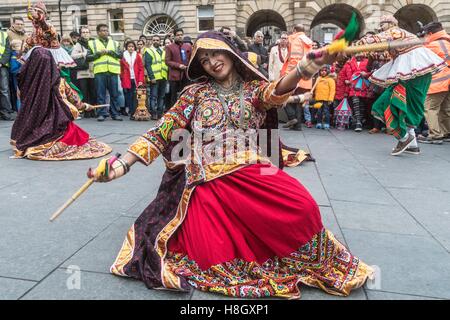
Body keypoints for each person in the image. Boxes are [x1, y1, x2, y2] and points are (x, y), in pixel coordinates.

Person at [87, 31, 373, 299]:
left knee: (303, 208)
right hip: (206, 183)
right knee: (211, 254)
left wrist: (306, 67)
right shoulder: (194, 94)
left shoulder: (253, 90)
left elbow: (277, 92)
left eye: (214, 54)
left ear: (230, 52)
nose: (211, 63)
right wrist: (120, 165)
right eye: (203, 60)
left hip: (251, 170)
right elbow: (161, 131)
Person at [360, 15, 445, 156]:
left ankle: (404, 138)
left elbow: (372, 39)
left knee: (386, 105)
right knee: (404, 108)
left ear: (391, 24)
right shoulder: (398, 38)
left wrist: (352, 45)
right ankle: (413, 146)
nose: (381, 28)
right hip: (413, 75)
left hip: (413, 75)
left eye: (383, 24)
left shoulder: (396, 31)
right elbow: (379, 54)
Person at [11, 47, 111, 160]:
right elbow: (74, 100)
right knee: (73, 134)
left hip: (30, 121)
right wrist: (86, 106)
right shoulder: (58, 82)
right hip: (52, 123)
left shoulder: (25, 80)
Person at [418, 22, 450, 145]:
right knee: (445, 108)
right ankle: (447, 132)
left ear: (430, 33)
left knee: (430, 108)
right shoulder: (447, 41)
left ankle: (435, 135)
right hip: (447, 80)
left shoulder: (433, 45)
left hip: (439, 81)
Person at [87, 23, 123, 121]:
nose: (105, 32)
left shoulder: (115, 43)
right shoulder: (92, 43)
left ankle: (115, 113)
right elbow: (88, 57)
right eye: (103, 30)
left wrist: (110, 52)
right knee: (100, 94)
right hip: (100, 71)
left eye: (106, 30)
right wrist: (98, 54)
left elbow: (120, 55)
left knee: (115, 94)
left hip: (113, 71)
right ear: (98, 32)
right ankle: (101, 113)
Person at [25, 1, 75, 69]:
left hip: (52, 57)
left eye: (39, 12)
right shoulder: (35, 29)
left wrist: (38, 17)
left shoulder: (49, 25)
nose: (36, 13)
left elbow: (48, 30)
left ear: (44, 15)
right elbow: (30, 43)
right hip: (40, 58)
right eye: (35, 11)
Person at [71, 26, 96, 117]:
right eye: (83, 32)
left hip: (92, 70)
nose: (85, 34)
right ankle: (86, 111)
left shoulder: (94, 42)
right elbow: (73, 55)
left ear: (90, 33)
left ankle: (93, 110)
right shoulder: (79, 44)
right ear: (81, 34)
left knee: (93, 91)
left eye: (87, 32)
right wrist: (83, 54)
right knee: (84, 92)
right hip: (82, 71)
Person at [165, 28, 192, 108]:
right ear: (174, 36)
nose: (180, 37)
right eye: (178, 35)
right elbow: (167, 61)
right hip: (174, 76)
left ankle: (185, 112)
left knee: (185, 96)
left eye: (181, 35)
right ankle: (173, 114)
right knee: (174, 97)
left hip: (186, 75)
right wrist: (178, 66)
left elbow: (191, 59)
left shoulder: (187, 46)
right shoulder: (170, 47)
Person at [345, 53, 371, 132]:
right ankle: (358, 122)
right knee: (355, 102)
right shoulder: (350, 62)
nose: (358, 54)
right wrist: (346, 80)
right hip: (353, 85)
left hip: (364, 85)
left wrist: (366, 74)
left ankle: (360, 120)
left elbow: (373, 71)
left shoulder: (368, 61)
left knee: (362, 104)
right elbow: (346, 73)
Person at [144, 35, 168, 120]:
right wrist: (151, 77)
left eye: (157, 40)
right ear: (151, 41)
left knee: (161, 96)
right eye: (154, 40)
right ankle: (153, 113)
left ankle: (160, 113)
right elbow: (147, 65)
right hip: (154, 77)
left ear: (160, 41)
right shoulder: (149, 51)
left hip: (163, 77)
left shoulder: (163, 51)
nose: (155, 41)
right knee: (153, 96)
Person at [120, 40, 144, 120]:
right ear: (126, 47)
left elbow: (141, 69)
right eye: (129, 46)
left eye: (132, 46)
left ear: (134, 47)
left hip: (135, 79)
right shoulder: (123, 56)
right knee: (128, 96)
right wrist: (122, 78)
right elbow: (121, 69)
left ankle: (134, 112)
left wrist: (140, 80)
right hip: (127, 79)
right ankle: (131, 112)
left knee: (136, 96)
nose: (131, 48)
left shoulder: (137, 56)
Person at [0, 27, 13, 120]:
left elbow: (8, 50)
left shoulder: (4, 35)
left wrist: (1, 62)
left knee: (4, 90)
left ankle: (6, 112)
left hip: (2, 66)